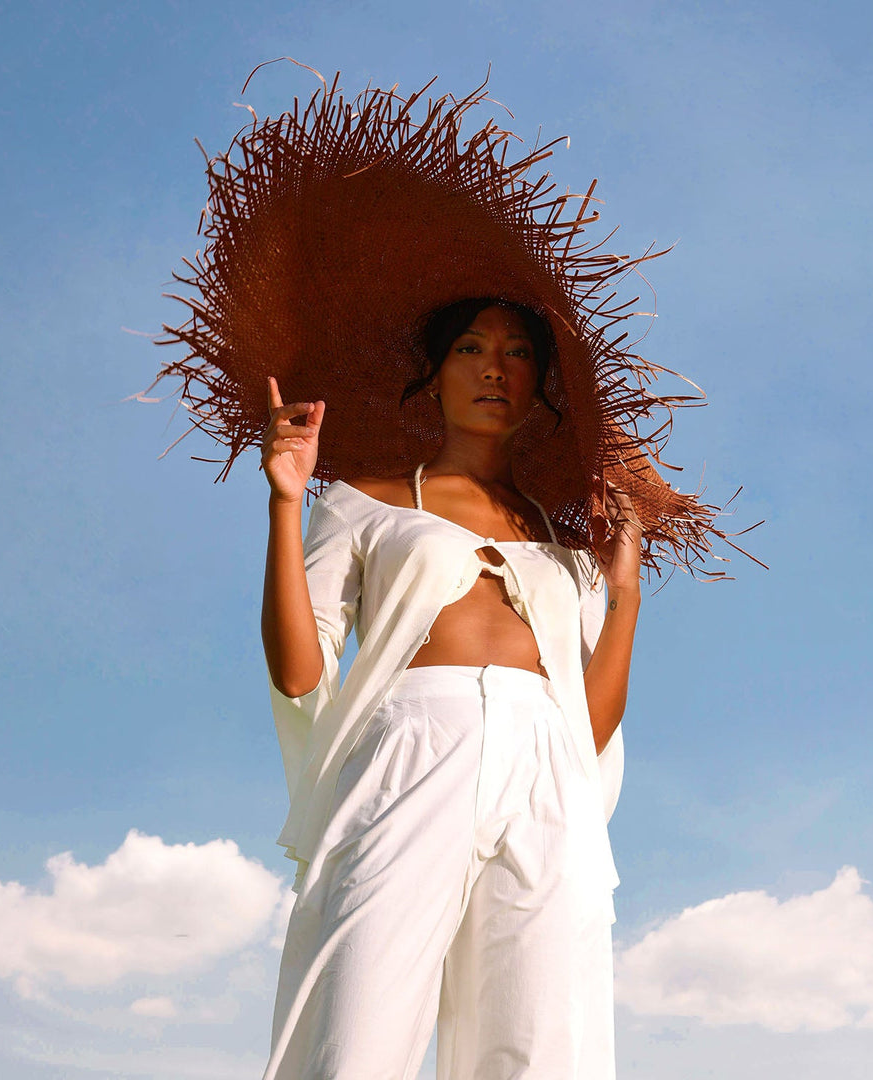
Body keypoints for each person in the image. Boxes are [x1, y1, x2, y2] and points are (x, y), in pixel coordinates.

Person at [259, 295, 642, 1080]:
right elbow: (299, 670)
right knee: (357, 1024)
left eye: (518, 353)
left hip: (548, 773)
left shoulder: (571, 544)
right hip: (410, 749)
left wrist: (625, 593)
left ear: (541, 388)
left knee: (544, 1045)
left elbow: (587, 729)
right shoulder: (362, 501)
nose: (494, 367)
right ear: (432, 379)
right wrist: (287, 502)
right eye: (470, 348)